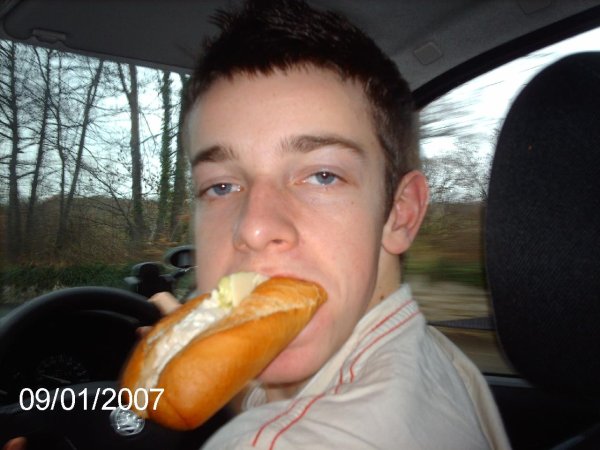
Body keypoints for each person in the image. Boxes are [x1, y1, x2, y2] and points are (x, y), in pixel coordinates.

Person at [4, 0, 510, 448]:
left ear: (400, 213)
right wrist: (197, 347)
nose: (253, 227)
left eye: (323, 175)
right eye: (222, 186)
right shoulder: (434, 358)